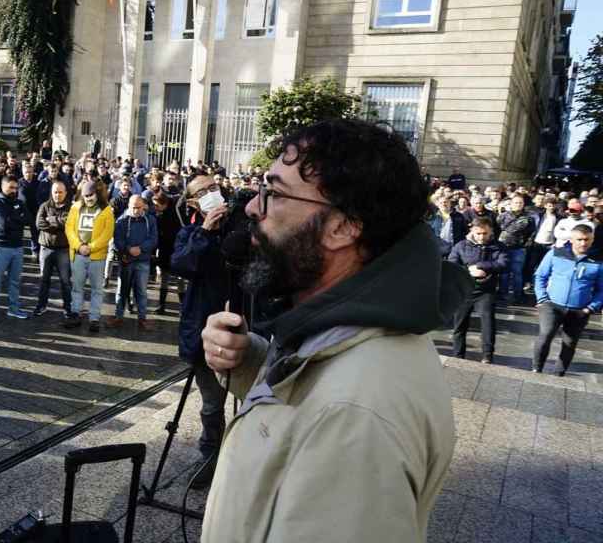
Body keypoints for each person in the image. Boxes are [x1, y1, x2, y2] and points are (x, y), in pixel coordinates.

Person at [199, 119, 467, 541]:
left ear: (343, 227)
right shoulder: (353, 331)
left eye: (273, 193)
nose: (252, 207)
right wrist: (253, 361)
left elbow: (333, 408)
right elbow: (308, 408)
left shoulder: (355, 419)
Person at [169, 174, 233, 488]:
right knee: (211, 403)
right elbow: (181, 264)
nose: (212, 194)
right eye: (203, 192)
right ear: (194, 202)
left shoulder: (240, 226)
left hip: (246, 326)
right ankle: (210, 455)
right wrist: (206, 231)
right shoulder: (190, 233)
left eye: (214, 188)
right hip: (205, 331)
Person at [532, 224, 603, 376]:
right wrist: (542, 298)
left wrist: (591, 308)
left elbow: (601, 289)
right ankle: (536, 368)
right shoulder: (556, 253)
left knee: (569, 342)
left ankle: (559, 373)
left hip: (579, 309)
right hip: (552, 305)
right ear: (571, 239)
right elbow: (540, 276)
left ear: (592, 240)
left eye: (587, 240)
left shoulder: (598, 261)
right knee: (545, 335)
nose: (583, 243)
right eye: (579, 239)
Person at [448, 217, 508, 363]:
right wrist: (468, 271)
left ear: (491, 232)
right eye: (479, 233)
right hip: (464, 290)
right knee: (459, 325)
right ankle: (458, 355)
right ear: (472, 231)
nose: (482, 237)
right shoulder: (461, 246)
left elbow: (504, 263)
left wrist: (482, 266)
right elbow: (451, 265)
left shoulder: (498, 246)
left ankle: (487, 355)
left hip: (485, 291)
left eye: (485, 233)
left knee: (488, 323)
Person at [63, 180, 115, 332]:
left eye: (90, 195)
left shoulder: (107, 210)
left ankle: (94, 318)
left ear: (97, 194)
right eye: (85, 196)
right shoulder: (75, 208)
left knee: (96, 289)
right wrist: (79, 246)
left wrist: (91, 247)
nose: (88, 198)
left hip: (97, 257)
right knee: (77, 288)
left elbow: (107, 234)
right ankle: (75, 314)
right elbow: (69, 229)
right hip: (78, 254)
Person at [107, 195, 157, 330]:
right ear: (128, 206)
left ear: (144, 206)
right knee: (122, 290)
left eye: (138, 208)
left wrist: (140, 249)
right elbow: (117, 240)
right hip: (127, 260)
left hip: (143, 260)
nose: (135, 210)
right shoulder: (122, 220)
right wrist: (129, 249)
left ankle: (142, 319)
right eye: (133, 208)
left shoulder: (150, 220)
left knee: (141, 291)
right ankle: (118, 316)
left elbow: (153, 239)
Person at [0, 176, 30, 324]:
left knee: (15, 281)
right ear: (3, 187)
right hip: (0, 247)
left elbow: (28, 219)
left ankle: (14, 309)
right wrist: (18, 218)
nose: (14, 191)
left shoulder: (19, 202)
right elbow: (4, 224)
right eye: (11, 187)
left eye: (16, 188)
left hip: (17, 246)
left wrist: (14, 219)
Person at [34, 180, 73, 316]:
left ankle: (68, 307)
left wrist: (52, 220)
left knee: (65, 281)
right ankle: (41, 305)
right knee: (44, 279)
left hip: (63, 249)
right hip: (46, 249)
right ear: (51, 192)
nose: (57, 195)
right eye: (55, 192)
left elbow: (68, 223)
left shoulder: (71, 208)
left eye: (60, 192)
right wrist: (58, 224)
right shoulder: (44, 206)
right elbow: (39, 223)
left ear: (65, 193)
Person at [497, 194, 536, 304]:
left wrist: (526, 246)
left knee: (517, 272)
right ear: (511, 204)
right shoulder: (503, 216)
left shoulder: (528, 218)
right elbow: (497, 229)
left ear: (523, 204)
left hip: (519, 248)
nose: (518, 204)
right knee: (504, 272)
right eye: (516, 202)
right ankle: (502, 294)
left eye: (520, 203)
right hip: (503, 247)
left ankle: (517, 295)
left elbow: (532, 234)